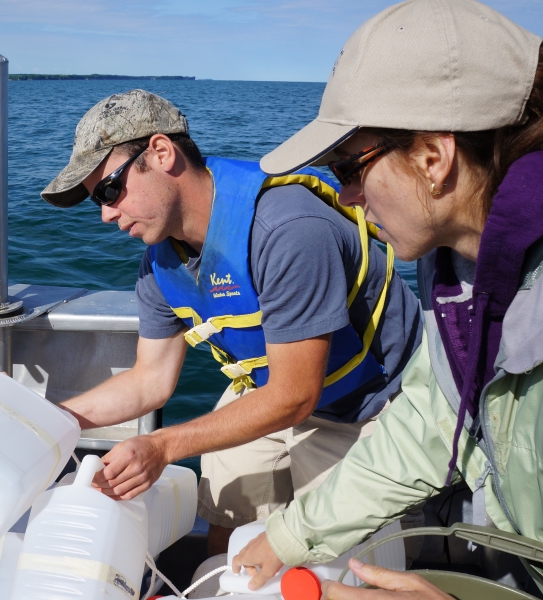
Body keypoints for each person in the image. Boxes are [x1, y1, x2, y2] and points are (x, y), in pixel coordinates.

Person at [233, 0, 543, 598]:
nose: (348, 199)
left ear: (434, 158)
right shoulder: (460, 275)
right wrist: (288, 537)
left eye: (348, 168)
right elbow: (428, 425)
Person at [40, 89, 423, 555]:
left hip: (366, 406)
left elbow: (294, 395)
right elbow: (149, 381)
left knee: (336, 563)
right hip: (268, 392)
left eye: (109, 189)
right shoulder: (161, 265)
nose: (105, 213)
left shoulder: (287, 232)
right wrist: (53, 421)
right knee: (226, 516)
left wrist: (161, 447)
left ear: (161, 153)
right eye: (95, 200)